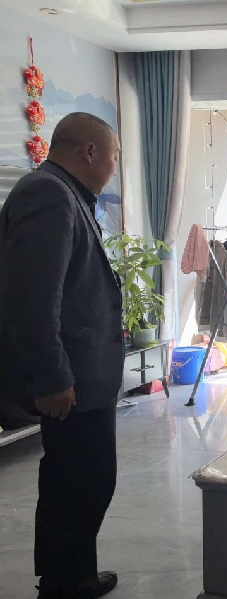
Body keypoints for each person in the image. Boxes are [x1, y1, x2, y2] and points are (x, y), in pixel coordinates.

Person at [0, 113, 123, 598]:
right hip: (69, 380)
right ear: (90, 151)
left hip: (83, 377)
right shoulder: (48, 194)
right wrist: (52, 377)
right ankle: (60, 584)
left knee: (83, 479)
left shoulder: (65, 193)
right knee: (77, 481)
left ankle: (74, 575)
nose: (113, 167)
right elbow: (33, 299)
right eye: (113, 156)